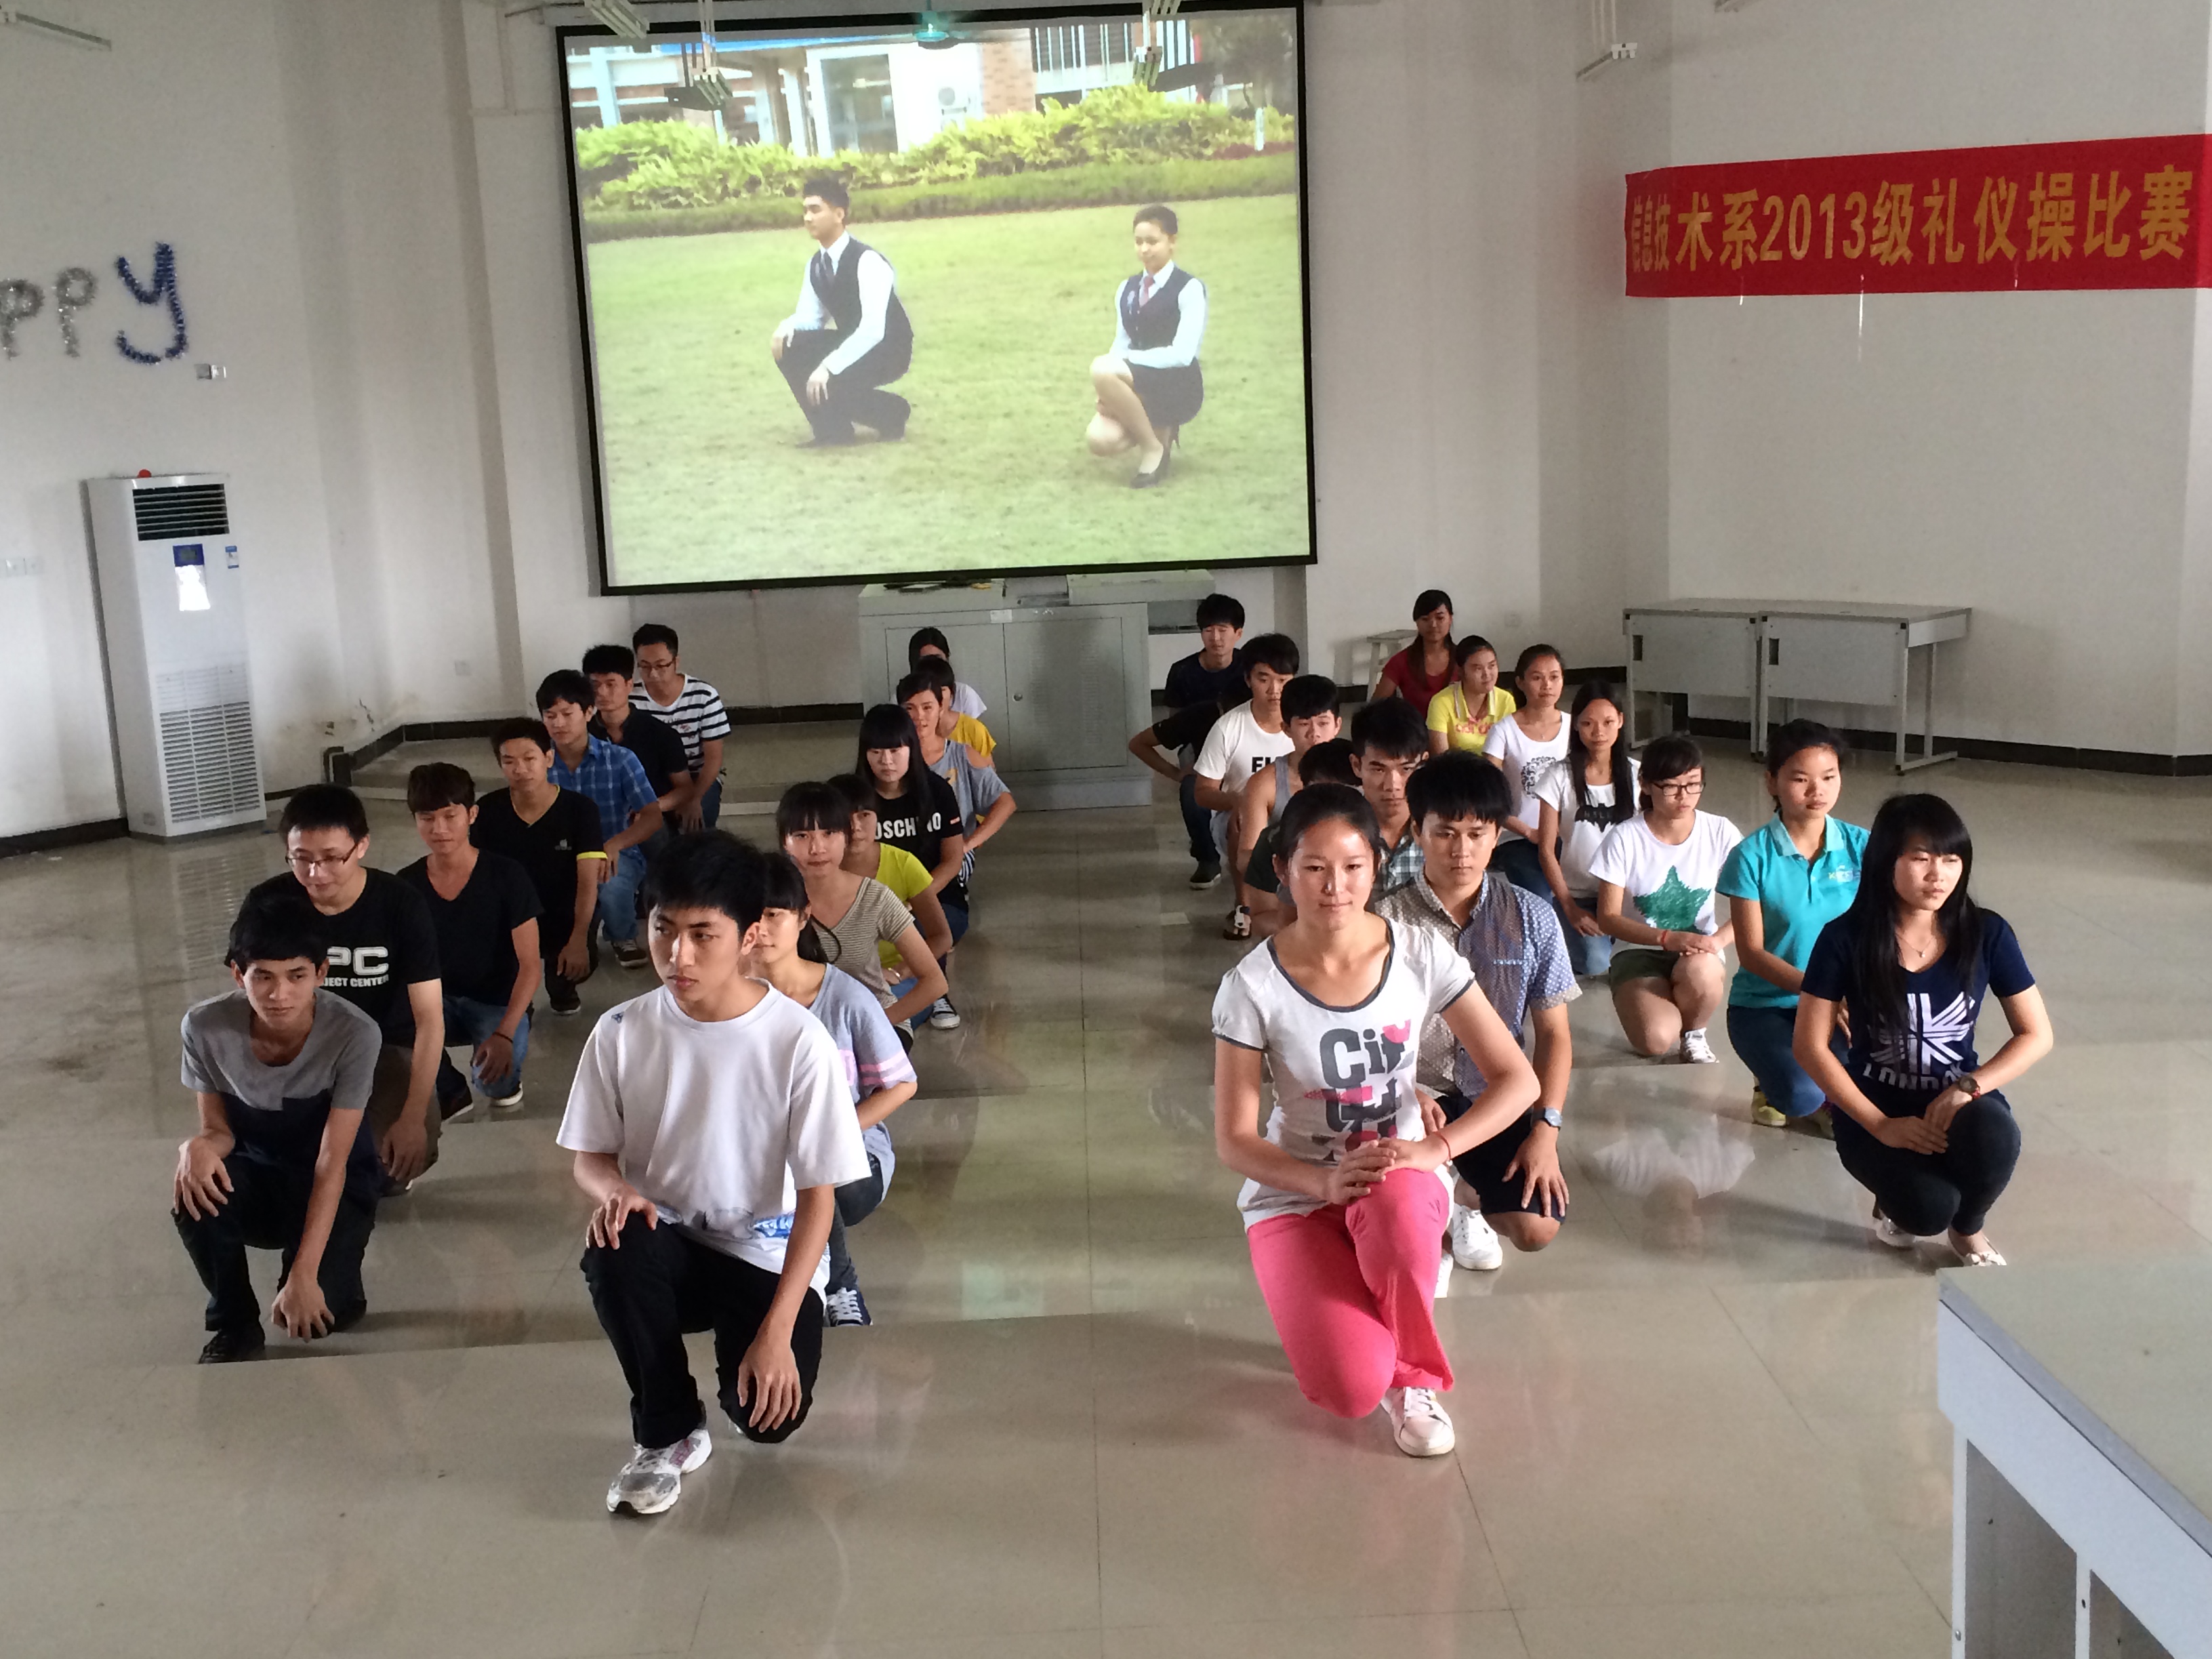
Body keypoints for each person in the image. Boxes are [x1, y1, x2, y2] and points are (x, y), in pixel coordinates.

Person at [1212, 784, 1538, 1456]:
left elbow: (1517, 1080)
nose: (1335, 887)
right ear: (1282, 869)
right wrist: (1323, 1183)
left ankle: (1414, 1377)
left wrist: (1436, 1150)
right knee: (1350, 1390)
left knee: (1397, 1198)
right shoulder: (1250, 987)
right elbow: (1235, 1140)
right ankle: (1361, 1309)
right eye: (1314, 868)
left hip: (1397, 1180)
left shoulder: (1420, 953)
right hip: (1297, 1195)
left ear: (1378, 864)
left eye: (1354, 866)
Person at [560, 834, 869, 1517]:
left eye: (703, 935)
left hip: (763, 1252)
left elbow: (819, 1200)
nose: (679, 955)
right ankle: (667, 1429)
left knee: (766, 1421)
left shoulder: (798, 1042)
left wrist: (778, 1331)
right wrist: (617, 1191)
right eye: (663, 930)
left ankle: (746, 1356)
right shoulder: (621, 1030)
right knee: (614, 1241)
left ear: (749, 935)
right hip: (666, 1241)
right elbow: (590, 1157)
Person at [1794, 794, 2051, 1265]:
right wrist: (1880, 1125)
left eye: (1951, 860)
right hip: (1874, 1106)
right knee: (1927, 1211)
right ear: (1886, 862)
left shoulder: (1987, 933)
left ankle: (1968, 1231)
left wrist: (1968, 1089)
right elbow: (1810, 1046)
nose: (1938, 875)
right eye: (1920, 859)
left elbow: (2036, 1034)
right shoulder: (1844, 938)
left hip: (1957, 1094)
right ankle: (1897, 1199)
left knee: (1996, 1137)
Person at [1378, 754, 1576, 1288]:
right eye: (1445, 833)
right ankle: (1433, 1194)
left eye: (1475, 833)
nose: (1461, 850)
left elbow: (1554, 1035)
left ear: (1496, 836)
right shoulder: (1382, 922)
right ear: (1417, 832)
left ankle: (1464, 1195)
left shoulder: (1532, 917)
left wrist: (1546, 1130)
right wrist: (1408, 1091)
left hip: (1494, 1094)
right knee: (1395, 1233)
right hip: (1409, 1095)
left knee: (1536, 1226)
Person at [173, 889, 384, 1362]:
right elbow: (219, 1131)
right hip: (260, 1173)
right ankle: (234, 1325)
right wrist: (197, 1148)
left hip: (334, 1179)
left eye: (296, 976)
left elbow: (332, 1162)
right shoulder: (203, 1027)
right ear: (238, 974)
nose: (279, 994)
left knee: (321, 1317)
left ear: (321, 973)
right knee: (194, 1189)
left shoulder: (355, 1033)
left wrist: (304, 1275)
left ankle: (335, 1276)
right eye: (262, 976)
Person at [743, 854, 918, 1328]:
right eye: (750, 917)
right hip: (759, 1157)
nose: (761, 930)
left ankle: (841, 1285)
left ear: (803, 918)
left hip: (854, 1165)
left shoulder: (844, 997)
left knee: (810, 1162)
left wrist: (837, 1129)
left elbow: (903, 1084)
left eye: (773, 916)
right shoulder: (728, 999)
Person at [247, 785, 447, 1188]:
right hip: (298, 1046)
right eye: (301, 859)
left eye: (331, 858)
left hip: (385, 1047)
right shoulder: (269, 903)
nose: (315, 873)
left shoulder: (400, 905)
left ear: (361, 846)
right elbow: (249, 1002)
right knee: (281, 1167)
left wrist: (412, 1117)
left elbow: (429, 1018)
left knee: (385, 1165)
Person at [1718, 722, 1866, 1132]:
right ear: (1772, 782)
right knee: (1801, 1095)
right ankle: (1772, 1083)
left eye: (1829, 777)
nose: (1817, 791)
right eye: (1801, 779)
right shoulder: (1751, 856)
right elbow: (1752, 954)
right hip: (1767, 1005)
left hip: (1845, 1002)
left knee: (1882, 1072)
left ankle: (1831, 1093)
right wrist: (1823, 994)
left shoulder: (1863, 847)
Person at [1587, 735, 1743, 1064]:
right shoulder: (1625, 837)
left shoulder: (1720, 831)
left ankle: (1695, 1032)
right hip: (1638, 950)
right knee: (1655, 1041)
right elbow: (1608, 918)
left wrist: (1717, 941)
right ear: (1645, 784)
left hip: (1698, 950)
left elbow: (1754, 903)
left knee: (1702, 972)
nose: (1684, 797)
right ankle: (1649, 998)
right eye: (1671, 787)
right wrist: (1665, 938)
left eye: (1693, 785)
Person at [399, 764, 543, 1113]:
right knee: (389, 1027)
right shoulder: (406, 884)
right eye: (427, 818)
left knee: (498, 1086)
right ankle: (450, 1088)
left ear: (472, 815)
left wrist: (505, 1033)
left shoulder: (507, 875)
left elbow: (530, 965)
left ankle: (503, 1049)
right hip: (436, 1000)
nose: (439, 829)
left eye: (450, 816)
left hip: (496, 1001)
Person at [777, 781, 947, 1033]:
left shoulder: (875, 897)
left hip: (871, 1023)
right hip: (800, 1029)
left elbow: (935, 982)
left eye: (829, 833)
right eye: (802, 836)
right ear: (784, 842)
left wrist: (874, 1026)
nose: (817, 848)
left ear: (845, 838)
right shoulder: (770, 897)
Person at [472, 718, 605, 1017]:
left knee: (571, 971)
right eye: (509, 761)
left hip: (562, 914)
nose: (520, 769)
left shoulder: (580, 810)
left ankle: (562, 988)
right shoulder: (488, 811)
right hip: (512, 917)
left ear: (549, 758)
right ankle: (519, 996)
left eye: (529, 758)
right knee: (506, 990)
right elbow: (481, 878)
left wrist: (579, 938)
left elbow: (587, 882)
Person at [769, 176, 913, 447]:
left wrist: (828, 366)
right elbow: (811, 319)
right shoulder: (815, 264)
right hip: (853, 341)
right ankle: (832, 432)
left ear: (839, 214)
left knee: (831, 379)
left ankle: (892, 411)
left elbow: (873, 330)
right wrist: (786, 326)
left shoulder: (868, 261)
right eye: (805, 210)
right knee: (791, 344)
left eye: (815, 210)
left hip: (889, 349)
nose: (808, 218)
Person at [539, 669, 662, 971]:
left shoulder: (620, 759)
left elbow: (652, 816)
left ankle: (622, 936)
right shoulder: (539, 763)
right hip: (557, 851)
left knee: (611, 881)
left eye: (567, 714)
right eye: (550, 715)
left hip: (614, 850)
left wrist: (615, 844)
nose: (558, 723)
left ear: (589, 712)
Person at [856, 705, 970, 1027]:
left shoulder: (937, 791)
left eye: (896, 751)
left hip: (934, 897)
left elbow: (953, 859)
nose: (887, 761)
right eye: (876, 752)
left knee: (920, 928)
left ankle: (931, 989)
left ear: (912, 749)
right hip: (869, 897)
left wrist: (914, 900)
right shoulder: (853, 799)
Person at [1126, 592, 1246, 888]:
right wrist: (1176, 772)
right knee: (1193, 787)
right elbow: (1174, 725)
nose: (1216, 638)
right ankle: (1207, 857)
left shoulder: (1250, 667)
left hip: (1244, 742)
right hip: (1198, 741)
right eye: (1208, 630)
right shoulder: (1183, 672)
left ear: (1238, 633)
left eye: (1223, 630)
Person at [1087, 203, 1206, 488]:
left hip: (1177, 383)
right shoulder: (1126, 288)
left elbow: (1183, 355)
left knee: (1102, 367)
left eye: (1153, 242)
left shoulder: (1189, 288)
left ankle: (1154, 450)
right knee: (1100, 441)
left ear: (1172, 241)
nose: (1144, 249)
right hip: (1137, 378)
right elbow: (1121, 342)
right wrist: (1108, 391)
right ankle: (1156, 433)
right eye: (1139, 242)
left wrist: (1123, 365)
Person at [1193, 632, 1300, 937]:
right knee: (1242, 821)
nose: (1275, 690)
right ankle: (1245, 905)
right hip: (1238, 818)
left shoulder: (1303, 726)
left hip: (1294, 812)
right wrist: (1240, 802)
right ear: (1248, 679)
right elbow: (1203, 792)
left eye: (1283, 681)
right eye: (1264, 679)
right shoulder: (1229, 728)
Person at [1532, 681, 1639, 979]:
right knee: (1595, 964)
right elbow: (1546, 850)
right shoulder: (1558, 776)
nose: (1599, 732)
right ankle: (1565, 929)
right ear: (1576, 725)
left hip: (1627, 894)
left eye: (1608, 722)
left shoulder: (1637, 775)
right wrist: (1569, 907)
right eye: (1588, 723)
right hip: (1579, 894)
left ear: (1621, 721)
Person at [1233, 675, 1341, 931]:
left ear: (1337, 724)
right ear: (1286, 728)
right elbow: (1246, 856)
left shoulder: (1357, 772)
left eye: (1323, 723)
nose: (1314, 734)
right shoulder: (1264, 783)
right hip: (1286, 888)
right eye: (1304, 724)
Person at [827, 771, 954, 973]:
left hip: (893, 975)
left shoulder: (903, 864)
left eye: (864, 815)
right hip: (834, 978)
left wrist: (899, 973)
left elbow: (941, 937)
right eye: (843, 818)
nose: (855, 827)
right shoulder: (815, 867)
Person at [899, 671, 1015, 889]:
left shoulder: (962, 754)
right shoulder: (891, 759)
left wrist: (967, 845)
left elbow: (1005, 803)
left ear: (940, 709)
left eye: (927, 707)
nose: (919, 717)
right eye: (909, 709)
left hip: (951, 853)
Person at [1483, 644, 1571, 896]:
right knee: (1540, 900)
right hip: (1519, 838)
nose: (1547, 685)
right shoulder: (1503, 731)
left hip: (1569, 836)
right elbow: (1488, 796)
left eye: (1554, 677)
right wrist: (1528, 831)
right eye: (1537, 678)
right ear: (1520, 682)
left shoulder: (1575, 726)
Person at [584, 643, 695, 835]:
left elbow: (685, 789)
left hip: (650, 820)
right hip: (600, 820)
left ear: (629, 685)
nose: (601, 692)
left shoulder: (660, 733)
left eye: (611, 684)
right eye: (595, 685)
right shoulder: (583, 735)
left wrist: (652, 807)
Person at [631, 624, 731, 832]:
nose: (653, 674)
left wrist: (695, 798)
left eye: (661, 666)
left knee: (698, 819)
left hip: (697, 776)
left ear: (676, 662)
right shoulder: (631, 699)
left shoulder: (704, 696)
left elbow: (713, 759)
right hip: (653, 778)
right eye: (645, 666)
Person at [1349, 696, 1429, 903]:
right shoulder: (1339, 827)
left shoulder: (1441, 830)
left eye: (1406, 769)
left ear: (1423, 765)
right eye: (1378, 769)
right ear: (1357, 766)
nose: (1393, 785)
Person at [1425, 634, 1513, 755]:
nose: (1487, 674)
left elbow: (1509, 752)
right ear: (1461, 671)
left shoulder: (1506, 700)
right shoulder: (1441, 702)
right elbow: (1441, 758)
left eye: (1492, 666)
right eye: (1478, 669)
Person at [1372, 591, 1456, 708]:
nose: (1433, 624)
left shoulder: (1464, 659)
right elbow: (1375, 708)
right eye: (1425, 619)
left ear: (1450, 619)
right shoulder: (1401, 661)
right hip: (1414, 720)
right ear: (1417, 623)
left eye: (1440, 618)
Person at [907, 657, 998, 764]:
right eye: (929, 691)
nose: (935, 697)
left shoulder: (973, 729)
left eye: (942, 690)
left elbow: (988, 770)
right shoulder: (907, 732)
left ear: (952, 693)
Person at [907, 628, 985, 720]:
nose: (933, 664)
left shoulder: (964, 694)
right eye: (926, 660)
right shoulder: (902, 696)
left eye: (938, 658)